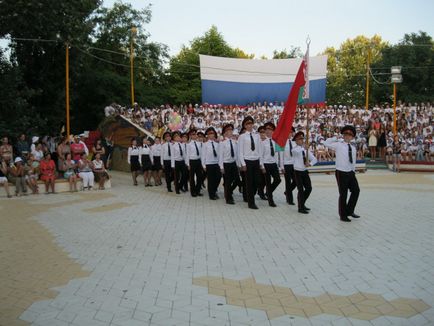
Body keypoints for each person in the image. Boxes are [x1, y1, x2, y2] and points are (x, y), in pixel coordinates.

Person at [324, 125, 360, 222]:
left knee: (356, 191)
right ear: (343, 135)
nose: (347, 136)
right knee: (343, 194)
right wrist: (335, 138)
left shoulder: (353, 147)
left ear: (352, 137)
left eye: (350, 135)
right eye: (346, 134)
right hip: (341, 172)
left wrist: (353, 170)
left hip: (350, 172)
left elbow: (354, 161)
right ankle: (343, 215)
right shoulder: (338, 144)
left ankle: (350, 210)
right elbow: (325, 143)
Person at [238, 116, 263, 209]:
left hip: (256, 160)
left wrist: (261, 162)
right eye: (247, 124)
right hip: (247, 161)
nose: (249, 126)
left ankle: (251, 195)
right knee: (249, 182)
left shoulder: (257, 135)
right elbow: (240, 151)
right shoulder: (242, 136)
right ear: (244, 126)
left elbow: (259, 150)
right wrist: (243, 164)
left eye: (251, 123)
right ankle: (251, 203)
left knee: (257, 181)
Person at [292, 131, 317, 214]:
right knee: (300, 190)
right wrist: (304, 148)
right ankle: (300, 207)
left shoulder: (305, 150)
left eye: (302, 139)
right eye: (299, 139)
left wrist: (310, 164)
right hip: (297, 171)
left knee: (309, 188)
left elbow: (314, 159)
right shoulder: (295, 149)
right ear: (296, 140)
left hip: (304, 171)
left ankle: (302, 203)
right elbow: (296, 152)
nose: (301, 140)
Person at [260, 122, 281, 207]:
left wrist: (278, 165)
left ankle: (268, 193)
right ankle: (270, 201)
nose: (268, 131)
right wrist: (262, 166)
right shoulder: (263, 142)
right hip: (266, 164)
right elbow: (260, 155)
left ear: (273, 131)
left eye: (270, 129)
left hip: (273, 164)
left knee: (278, 180)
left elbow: (277, 154)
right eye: (267, 129)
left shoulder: (276, 142)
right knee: (267, 182)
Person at [219, 124, 240, 205]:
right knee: (227, 181)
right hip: (226, 163)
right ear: (225, 133)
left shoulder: (235, 142)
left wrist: (238, 164)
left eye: (231, 130)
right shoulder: (222, 143)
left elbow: (237, 154)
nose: (230, 132)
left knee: (237, 180)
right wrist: (221, 167)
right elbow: (220, 155)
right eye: (228, 130)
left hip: (233, 163)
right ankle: (228, 198)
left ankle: (229, 191)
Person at [201, 127, 221, 200]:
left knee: (218, 178)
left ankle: (214, 190)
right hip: (209, 164)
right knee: (211, 180)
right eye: (209, 134)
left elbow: (219, 155)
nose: (211, 135)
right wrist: (203, 165)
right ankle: (211, 195)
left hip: (216, 163)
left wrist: (220, 164)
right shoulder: (205, 144)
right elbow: (203, 155)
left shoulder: (217, 144)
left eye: (212, 133)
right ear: (207, 135)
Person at [279, 127, 297, 205]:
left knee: (296, 181)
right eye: (288, 132)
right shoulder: (282, 142)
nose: (289, 134)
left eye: (291, 132)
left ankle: (287, 192)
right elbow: (281, 155)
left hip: (294, 164)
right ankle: (289, 200)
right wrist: (282, 167)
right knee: (288, 182)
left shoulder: (294, 142)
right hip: (286, 165)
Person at [185, 129, 203, 197]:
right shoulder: (188, 144)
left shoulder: (199, 143)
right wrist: (188, 164)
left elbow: (201, 153)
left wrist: (202, 162)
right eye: (193, 134)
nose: (195, 135)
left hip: (198, 161)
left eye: (195, 134)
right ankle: (193, 192)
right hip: (192, 161)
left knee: (199, 177)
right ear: (190, 136)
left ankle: (198, 190)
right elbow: (187, 155)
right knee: (192, 178)